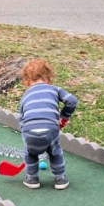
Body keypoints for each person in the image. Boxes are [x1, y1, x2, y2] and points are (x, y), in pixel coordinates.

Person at [18, 58, 78, 190]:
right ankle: (60, 179)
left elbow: (21, 119)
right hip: (50, 129)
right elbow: (72, 101)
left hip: (29, 130)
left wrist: (28, 137)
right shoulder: (54, 89)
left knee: (30, 153)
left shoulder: (25, 95)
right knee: (55, 151)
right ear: (49, 77)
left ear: (27, 81)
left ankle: (32, 178)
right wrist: (63, 117)